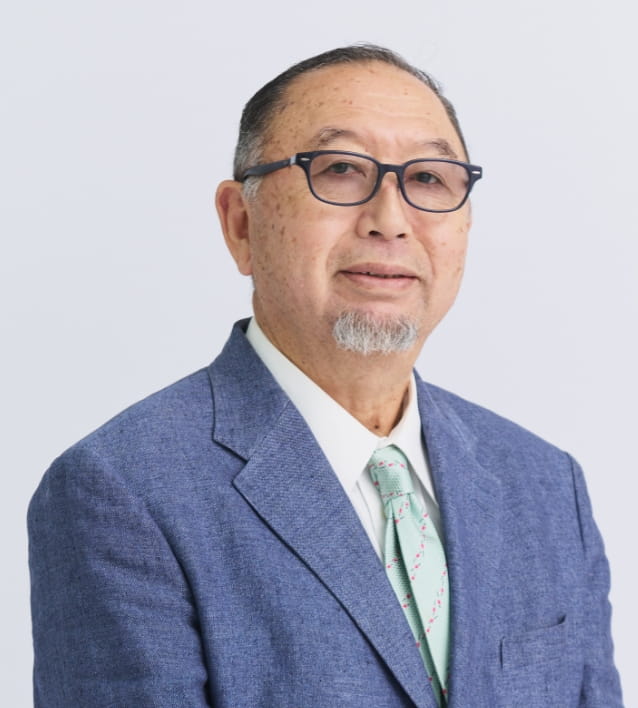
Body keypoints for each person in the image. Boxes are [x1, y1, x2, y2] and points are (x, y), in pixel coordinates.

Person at [28, 44, 623, 707]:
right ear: (241, 223)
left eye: (429, 178)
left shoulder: (546, 485)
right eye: (340, 170)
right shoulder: (123, 491)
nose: (390, 221)